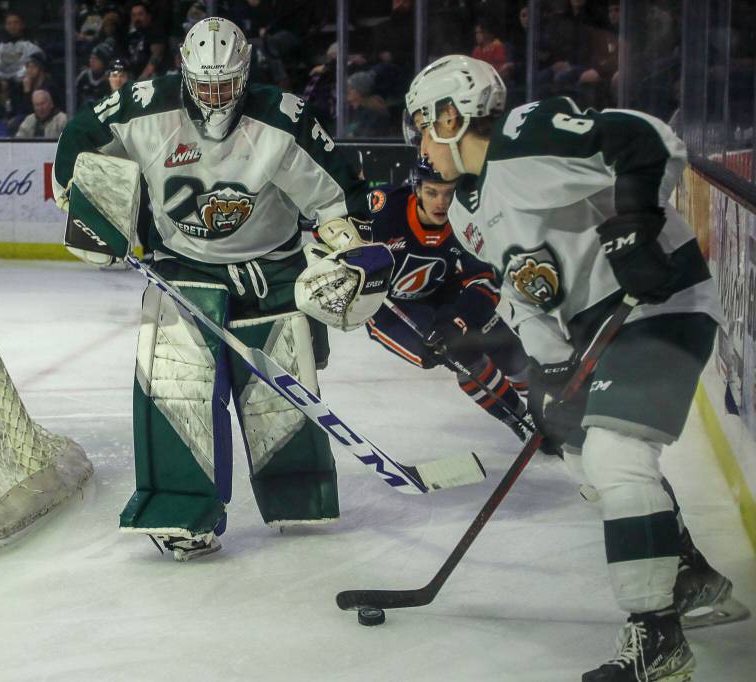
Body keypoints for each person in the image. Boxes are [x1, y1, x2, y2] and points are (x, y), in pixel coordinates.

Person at [405, 54, 747, 681]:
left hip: (661, 303)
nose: (423, 145)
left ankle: (657, 640)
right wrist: (550, 369)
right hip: (594, 327)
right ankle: (690, 577)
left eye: (425, 127)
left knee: (619, 455)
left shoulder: (527, 135)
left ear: (449, 116)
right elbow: (522, 289)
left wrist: (636, 225)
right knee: (582, 453)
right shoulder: (463, 210)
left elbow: (648, 139)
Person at [51, 17, 372, 561]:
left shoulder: (282, 119)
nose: (214, 96)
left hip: (270, 268)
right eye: (204, 84)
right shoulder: (145, 107)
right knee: (176, 391)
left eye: (225, 84)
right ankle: (181, 509)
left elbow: (337, 192)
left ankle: (299, 492)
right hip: (182, 266)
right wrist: (78, 199)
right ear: (185, 71)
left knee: (281, 394)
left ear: (245, 75)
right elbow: (81, 136)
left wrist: (347, 245)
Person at [355, 157, 530, 442]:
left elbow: (484, 278)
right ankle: (519, 417)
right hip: (388, 308)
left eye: (449, 193)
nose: (441, 202)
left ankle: (546, 405)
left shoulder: (466, 220)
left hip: (442, 293)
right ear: (417, 189)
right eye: (432, 192)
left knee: (499, 339)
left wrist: (459, 318)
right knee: (458, 352)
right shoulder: (386, 208)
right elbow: (334, 222)